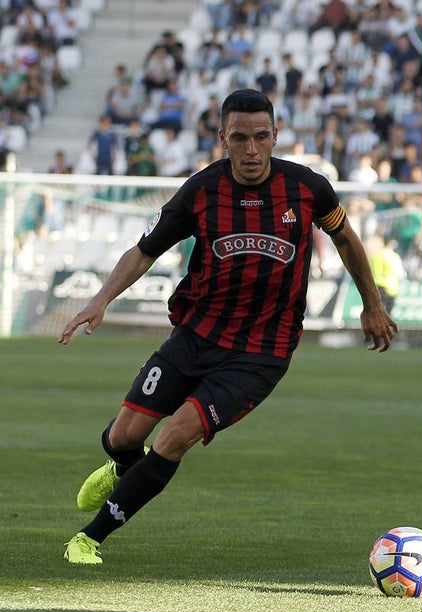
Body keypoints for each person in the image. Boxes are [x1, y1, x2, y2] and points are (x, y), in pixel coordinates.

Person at [59, 89, 397, 565]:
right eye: (240, 138)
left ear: (276, 135)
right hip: (195, 336)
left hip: (260, 353)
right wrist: (100, 300)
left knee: (174, 435)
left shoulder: (308, 188)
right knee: (123, 437)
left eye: (262, 137)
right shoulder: (200, 191)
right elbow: (144, 250)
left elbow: (345, 238)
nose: (253, 150)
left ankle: (88, 539)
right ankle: (120, 467)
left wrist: (372, 304)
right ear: (223, 138)